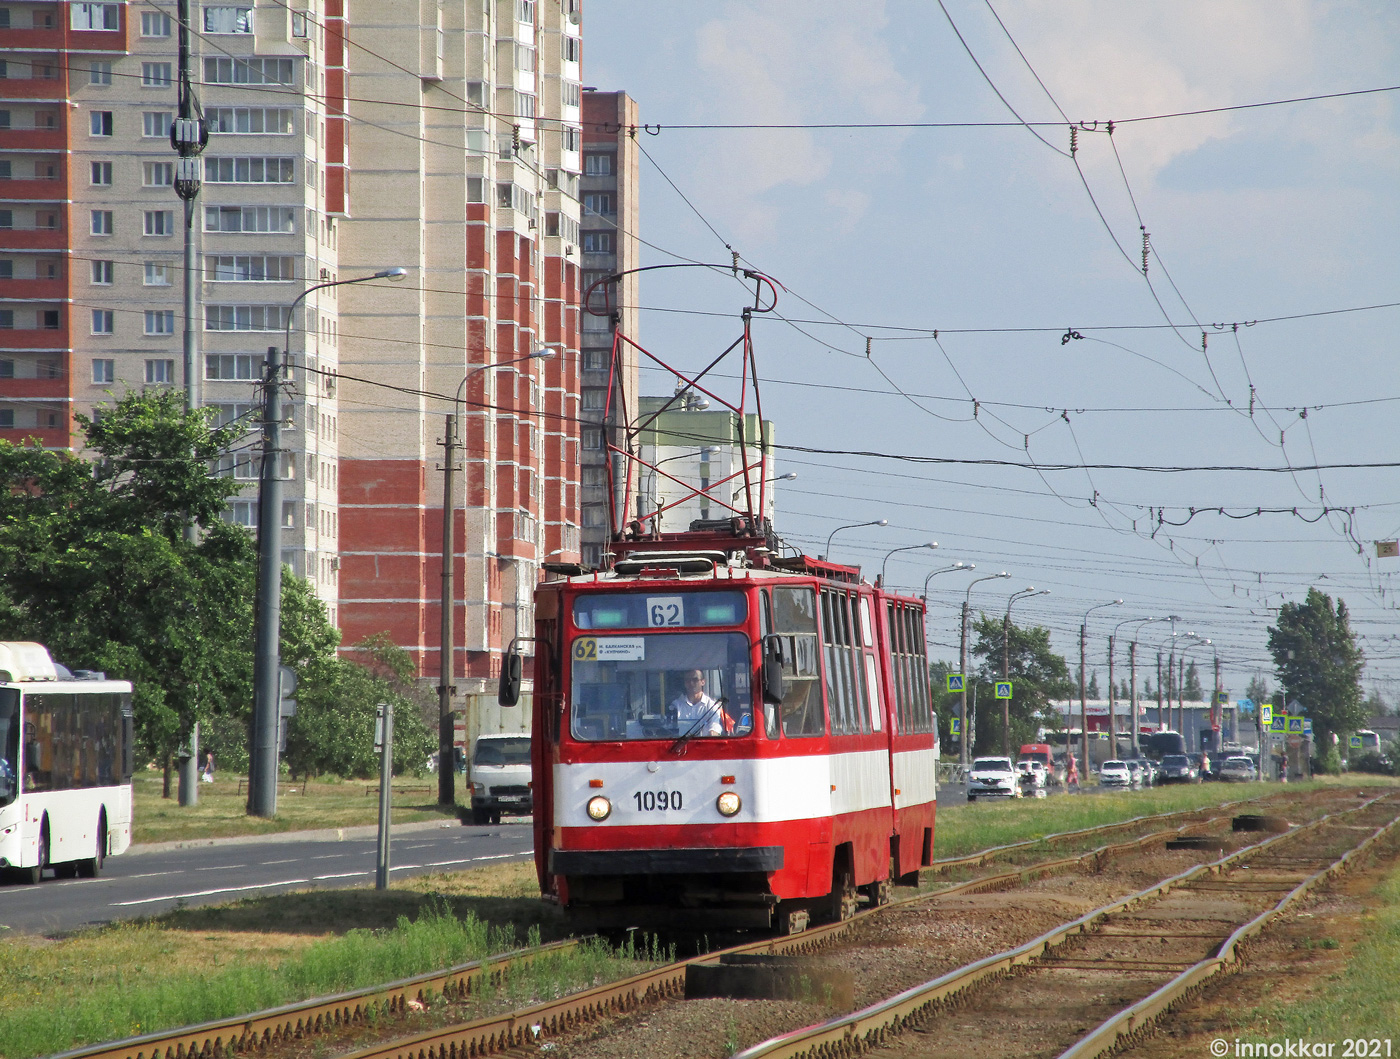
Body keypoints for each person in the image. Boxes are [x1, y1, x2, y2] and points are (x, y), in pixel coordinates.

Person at [669, 669, 730, 736]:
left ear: (703, 682)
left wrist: (713, 732)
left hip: (703, 745)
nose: (691, 683)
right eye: (688, 680)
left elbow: (715, 724)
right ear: (685, 683)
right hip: (680, 745)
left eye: (695, 680)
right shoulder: (676, 705)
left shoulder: (712, 705)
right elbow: (671, 727)